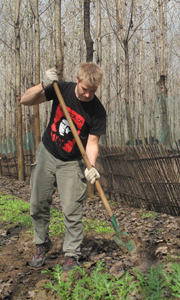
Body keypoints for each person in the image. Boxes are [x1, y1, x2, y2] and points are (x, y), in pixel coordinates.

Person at [20, 62, 106, 271]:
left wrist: (91, 166)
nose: (87, 95)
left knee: (72, 209)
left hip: (73, 162)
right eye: (85, 89)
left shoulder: (97, 111)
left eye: (92, 91)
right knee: (38, 203)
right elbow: (25, 100)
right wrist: (44, 84)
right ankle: (41, 244)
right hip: (48, 152)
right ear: (77, 80)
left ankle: (71, 254)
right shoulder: (61, 89)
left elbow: (92, 143)